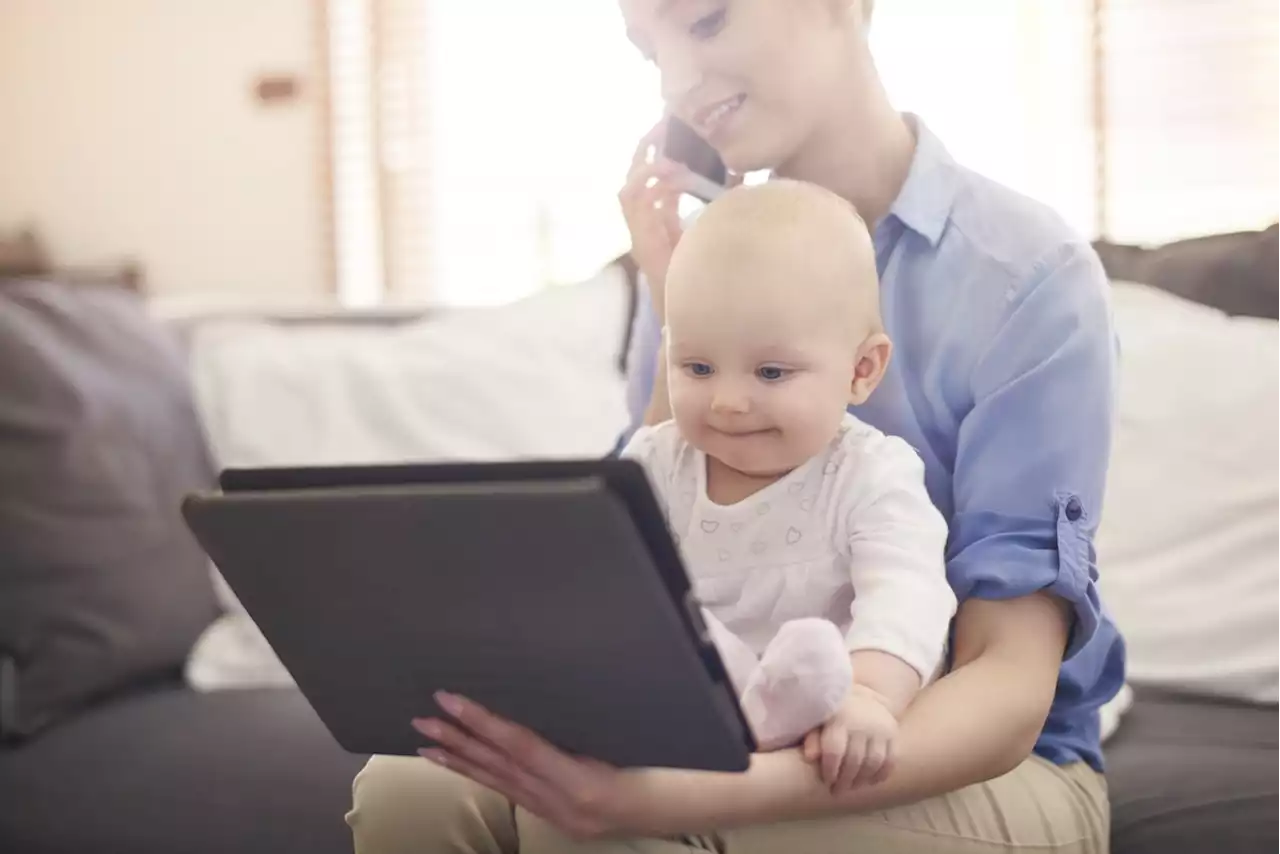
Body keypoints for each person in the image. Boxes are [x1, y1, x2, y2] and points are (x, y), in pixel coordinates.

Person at [346, 1, 1126, 851]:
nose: (677, 82)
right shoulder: (702, 264)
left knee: (618, 832)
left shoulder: (1028, 278)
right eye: (649, 54)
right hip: (718, 719)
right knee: (409, 788)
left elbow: (1008, 690)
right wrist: (665, 294)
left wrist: (698, 796)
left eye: (708, 22)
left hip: (973, 755)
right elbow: (651, 522)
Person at [619, 179, 957, 777]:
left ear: (861, 369)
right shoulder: (655, 462)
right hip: (675, 719)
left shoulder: (871, 474)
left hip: (819, 736)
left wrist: (873, 695)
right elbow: (600, 581)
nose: (727, 401)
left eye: (770, 372)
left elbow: (907, 595)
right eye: (696, 366)